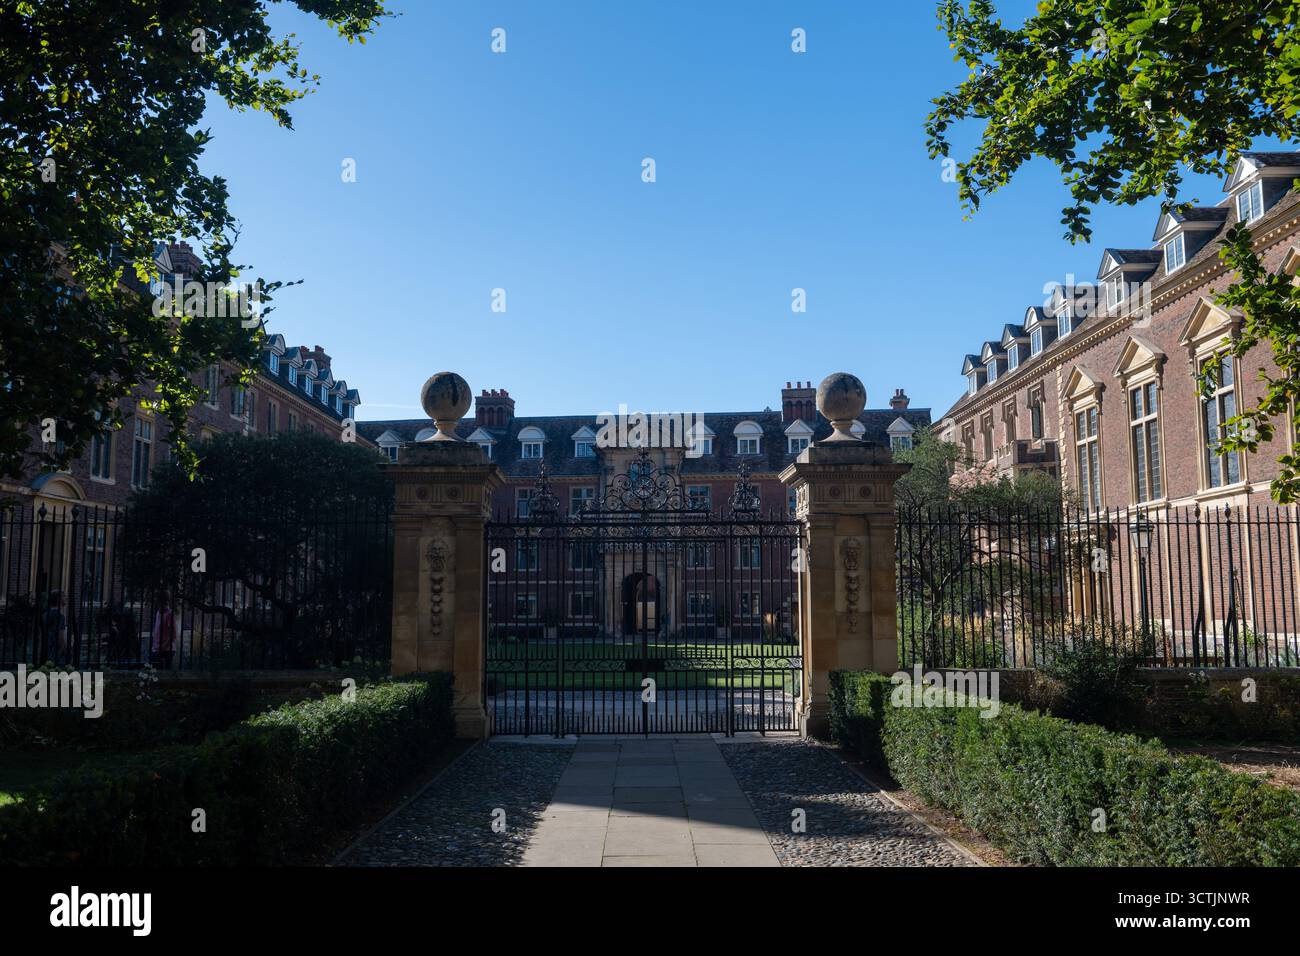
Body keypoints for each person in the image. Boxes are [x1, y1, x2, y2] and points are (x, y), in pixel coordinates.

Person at [151, 591, 179, 669]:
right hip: (156, 648)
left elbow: (173, 635)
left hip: (166, 650)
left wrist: (161, 648)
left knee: (164, 673)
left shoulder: (169, 614)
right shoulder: (158, 613)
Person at [43, 590, 66, 665]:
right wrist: (63, 649)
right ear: (59, 599)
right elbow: (60, 637)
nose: (65, 598)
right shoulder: (60, 616)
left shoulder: (45, 614)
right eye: (63, 596)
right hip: (55, 650)